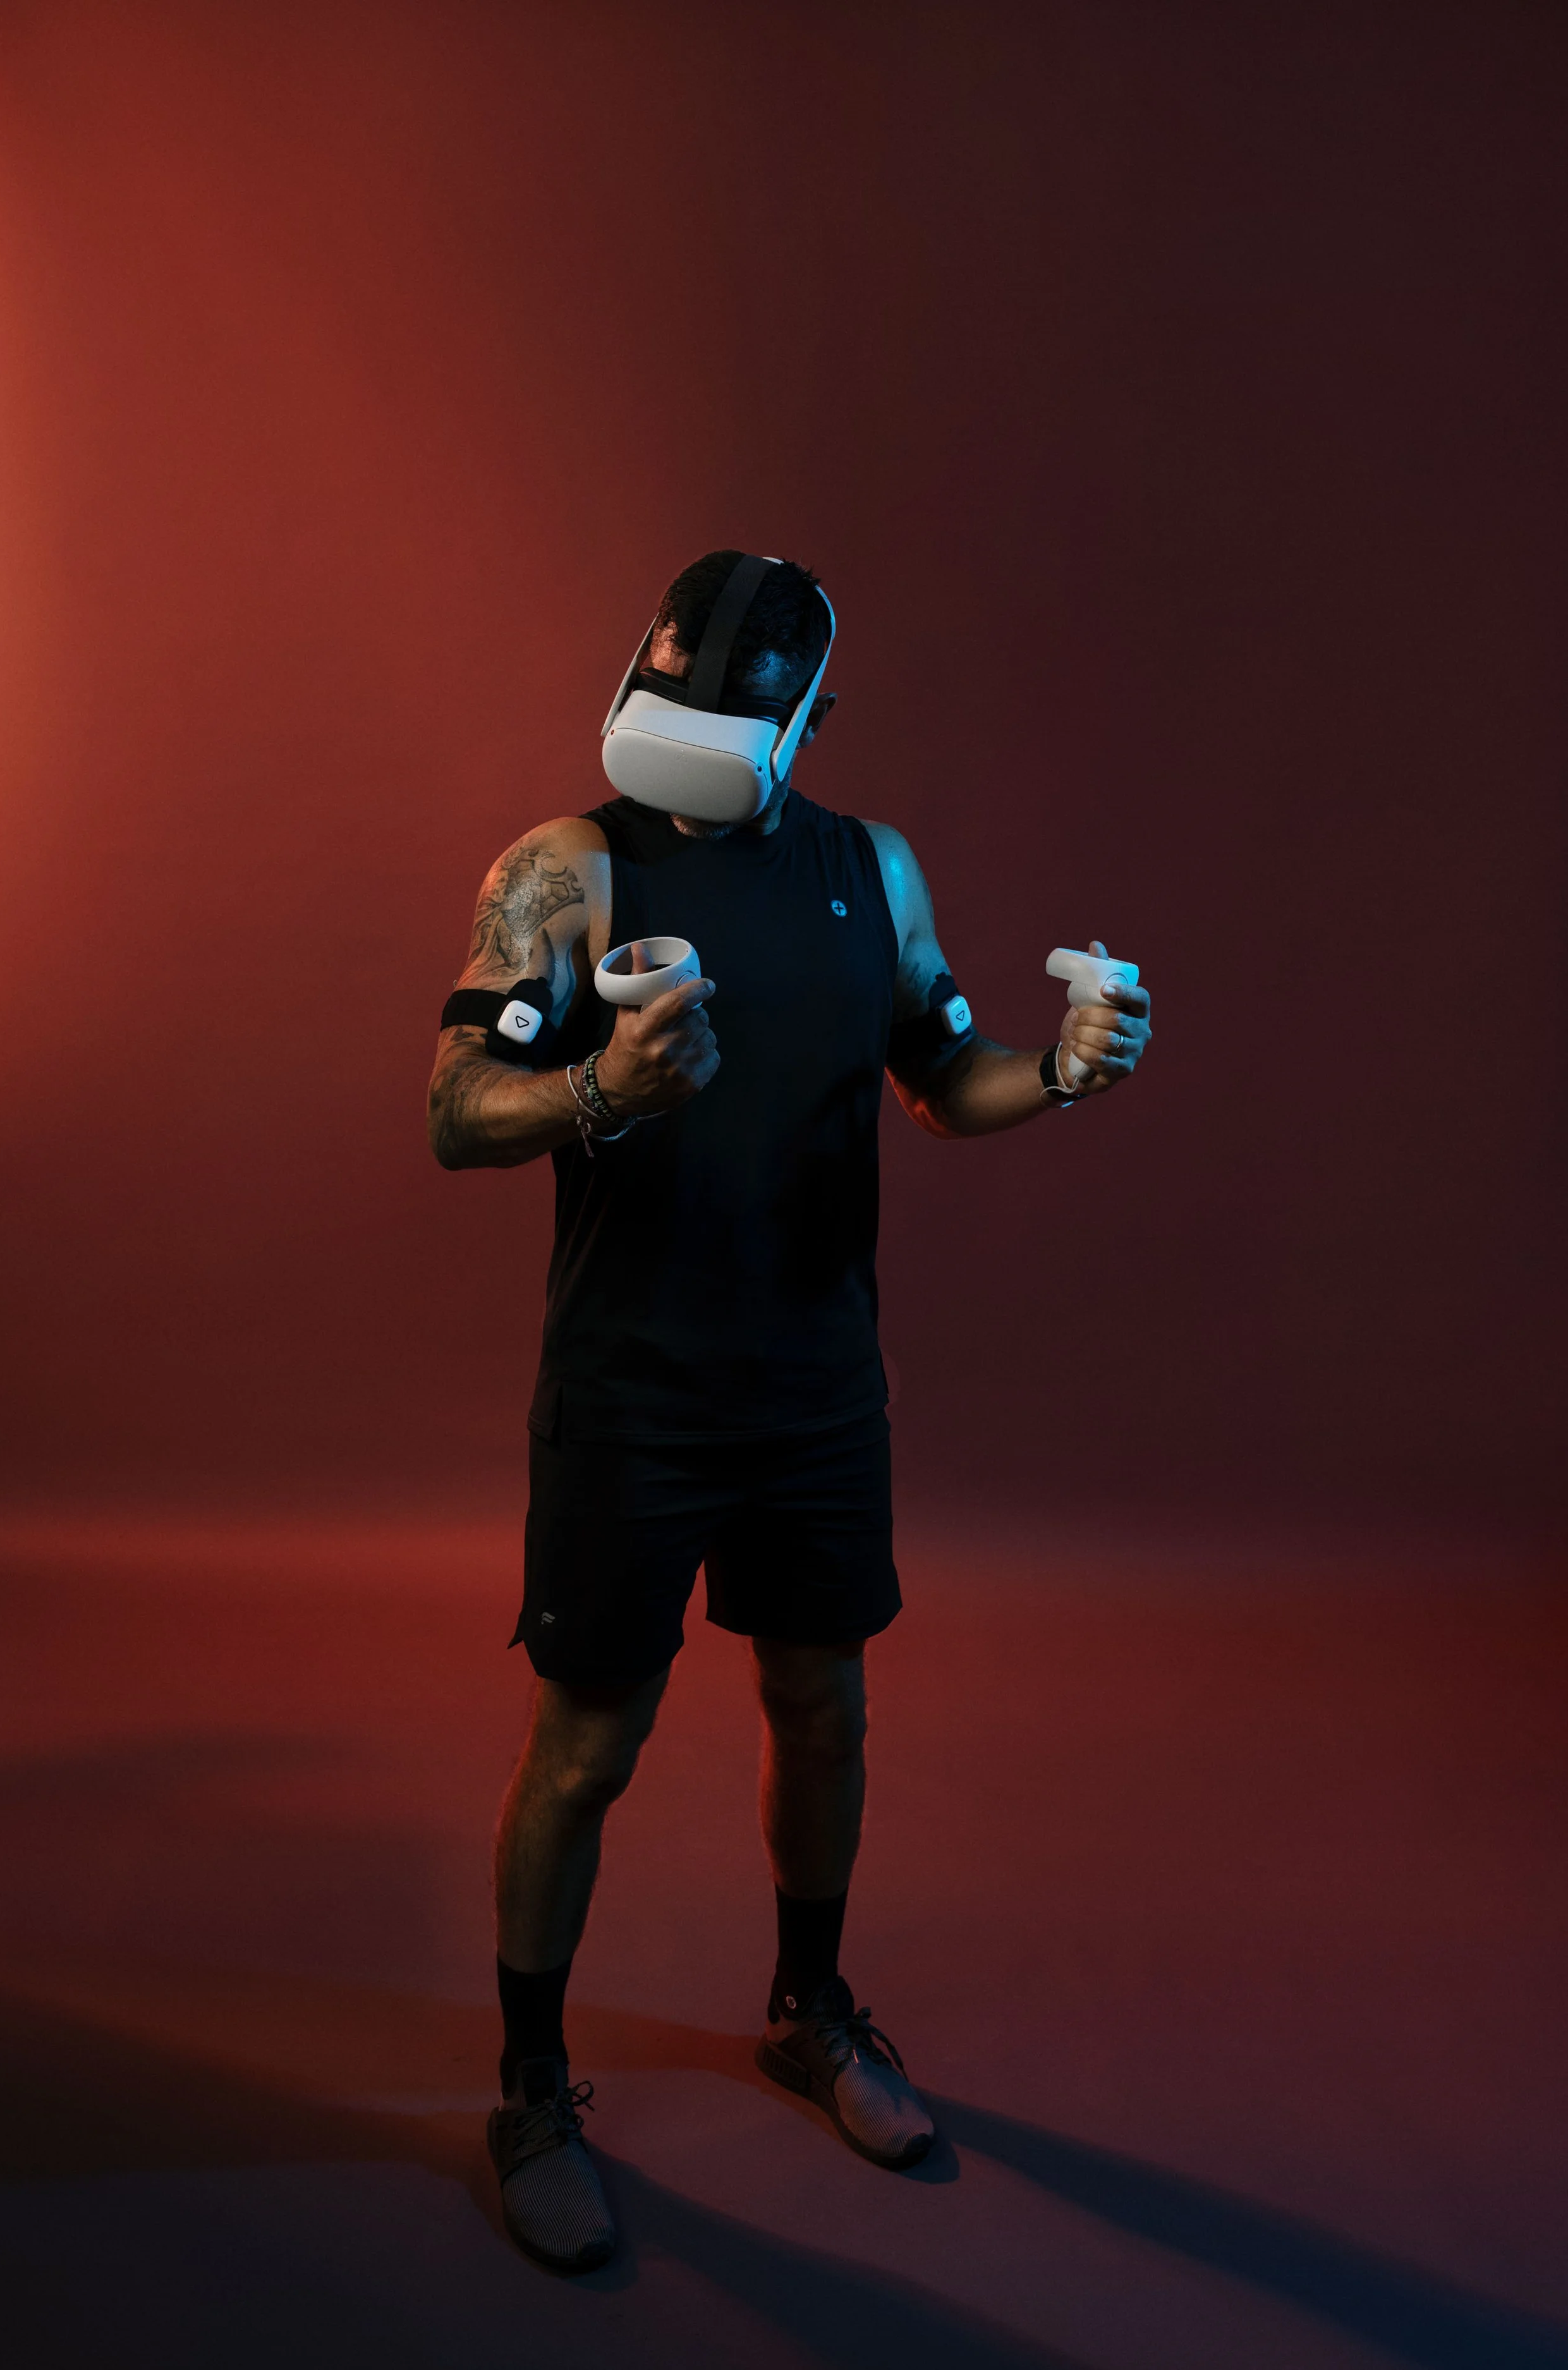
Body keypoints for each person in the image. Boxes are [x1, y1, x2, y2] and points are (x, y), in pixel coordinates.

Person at [426, 551, 1152, 2274]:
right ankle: (530, 2092)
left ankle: (807, 2011)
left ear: (809, 720)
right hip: (632, 1390)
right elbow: (456, 1109)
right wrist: (600, 1087)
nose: (681, 748)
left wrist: (1058, 1070)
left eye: (722, 726)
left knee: (823, 1706)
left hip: (816, 1382)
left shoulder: (868, 870)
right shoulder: (563, 870)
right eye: (663, 709)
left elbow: (941, 1080)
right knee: (587, 1745)